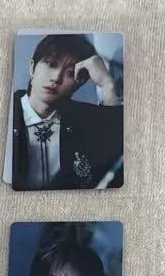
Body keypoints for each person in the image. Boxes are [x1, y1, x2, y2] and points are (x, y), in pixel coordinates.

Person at [10, 33, 123, 190]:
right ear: (32, 68)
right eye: (51, 64)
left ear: (80, 81)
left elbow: (116, 150)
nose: (56, 78)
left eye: (70, 72)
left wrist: (106, 84)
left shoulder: (86, 122)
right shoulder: (7, 114)